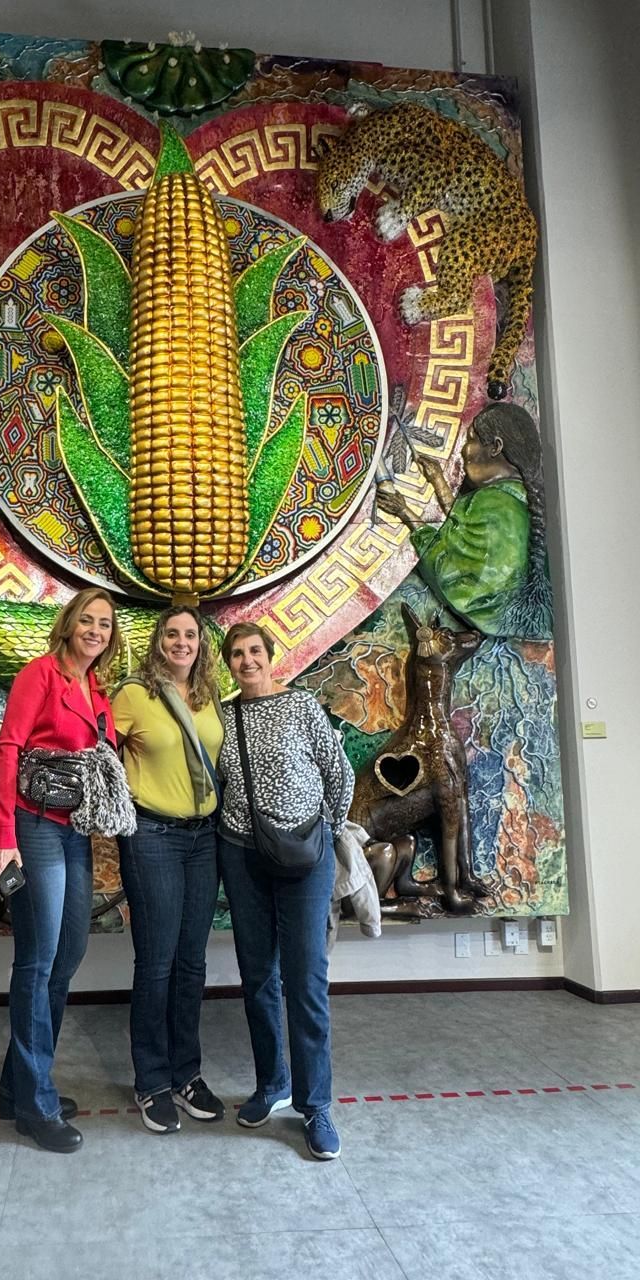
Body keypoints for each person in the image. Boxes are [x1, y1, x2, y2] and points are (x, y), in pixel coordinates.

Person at [0, 588, 120, 1154]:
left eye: (104, 624)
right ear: (68, 624)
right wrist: (3, 833)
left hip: (74, 829)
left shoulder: (97, 690)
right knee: (37, 962)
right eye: (87, 619)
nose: (95, 630)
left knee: (69, 954)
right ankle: (37, 1103)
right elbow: (8, 747)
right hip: (34, 825)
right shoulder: (39, 674)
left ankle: (17, 1086)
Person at [217, 622, 354, 1161]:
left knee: (306, 978)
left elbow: (338, 773)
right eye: (237, 653)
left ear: (270, 655)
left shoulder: (301, 705)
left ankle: (315, 1105)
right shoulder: (224, 716)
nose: (247, 660)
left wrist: (323, 830)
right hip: (242, 853)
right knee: (258, 977)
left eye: (255, 650)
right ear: (228, 663)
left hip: (305, 855)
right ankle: (271, 1082)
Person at [112, 607, 225, 1134]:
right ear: (158, 641)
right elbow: (100, 757)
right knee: (157, 962)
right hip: (152, 835)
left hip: (205, 839)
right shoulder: (135, 695)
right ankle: (152, 1080)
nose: (182, 642)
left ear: (201, 644)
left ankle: (187, 1075)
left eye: (191, 635)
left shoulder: (208, 696)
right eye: (172, 634)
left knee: (191, 963)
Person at [377, 402, 551, 639]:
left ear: (495, 447)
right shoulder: (509, 499)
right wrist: (438, 479)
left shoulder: (494, 503)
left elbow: (454, 574)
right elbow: (462, 523)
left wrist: (404, 512)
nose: (463, 451)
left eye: (470, 439)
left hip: (489, 620)